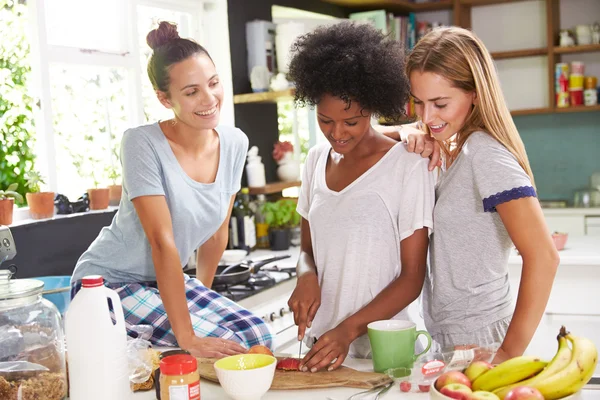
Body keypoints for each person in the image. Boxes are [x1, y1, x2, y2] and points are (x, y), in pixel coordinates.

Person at [70, 21, 273, 358]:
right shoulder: (141, 143)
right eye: (192, 92)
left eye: (213, 83)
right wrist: (189, 336)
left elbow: (216, 235)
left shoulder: (235, 143)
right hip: (107, 284)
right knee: (225, 349)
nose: (209, 99)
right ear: (164, 98)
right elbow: (162, 243)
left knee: (256, 334)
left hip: (162, 283)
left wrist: (200, 300)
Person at [391, 26, 559, 362]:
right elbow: (360, 144)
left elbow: (544, 257)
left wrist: (506, 354)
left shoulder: (485, 154)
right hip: (450, 337)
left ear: (475, 94)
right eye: (419, 103)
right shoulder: (458, 148)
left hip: (481, 340)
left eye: (440, 103)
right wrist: (408, 130)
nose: (427, 116)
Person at [286, 21, 436, 373]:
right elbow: (307, 250)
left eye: (350, 122)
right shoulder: (314, 161)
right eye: (325, 120)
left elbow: (413, 278)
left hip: (385, 351)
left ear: (371, 106)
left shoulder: (408, 166)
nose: (336, 133)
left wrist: (348, 330)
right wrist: (306, 275)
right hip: (324, 346)